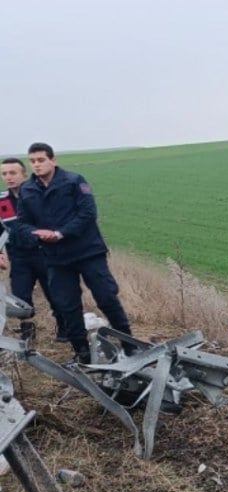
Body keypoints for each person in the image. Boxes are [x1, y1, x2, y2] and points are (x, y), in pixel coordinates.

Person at [14, 142, 132, 363]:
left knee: (106, 297)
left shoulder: (74, 181)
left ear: (53, 160)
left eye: (41, 160)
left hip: (87, 252)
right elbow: (21, 224)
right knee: (67, 305)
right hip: (56, 259)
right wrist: (36, 233)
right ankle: (82, 353)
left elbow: (88, 213)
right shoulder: (28, 190)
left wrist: (61, 233)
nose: (37, 165)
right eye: (32, 161)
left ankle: (130, 345)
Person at [0, 157, 63, 342]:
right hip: (18, 257)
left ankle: (64, 330)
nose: (8, 177)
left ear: (24, 175)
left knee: (55, 293)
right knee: (20, 296)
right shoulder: (1, 201)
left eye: (13, 173)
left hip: (45, 254)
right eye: (4, 174)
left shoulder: (41, 196)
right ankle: (26, 332)